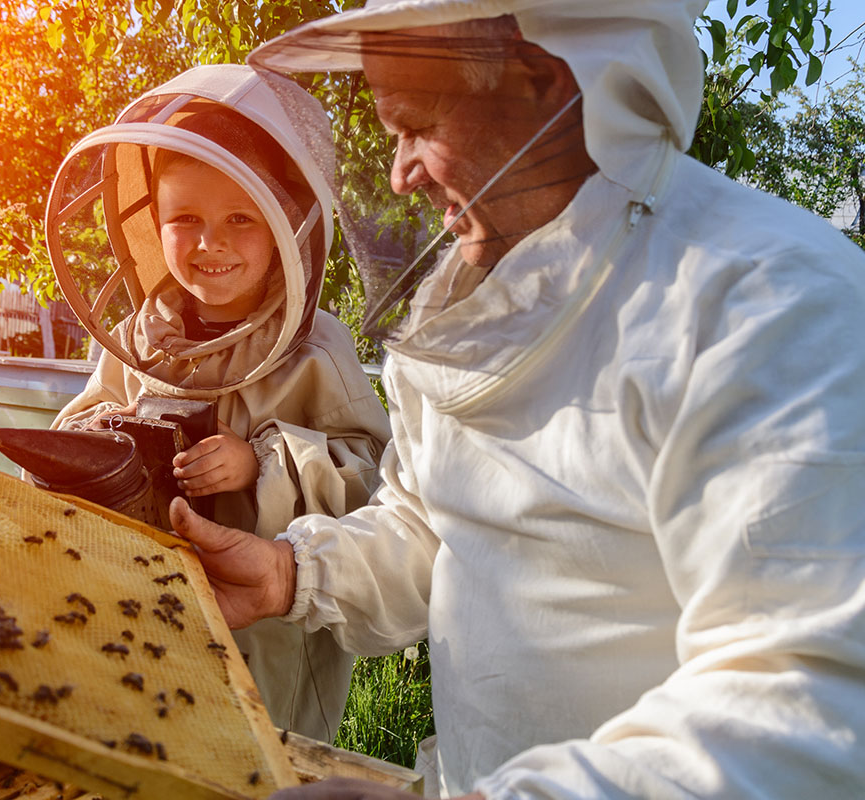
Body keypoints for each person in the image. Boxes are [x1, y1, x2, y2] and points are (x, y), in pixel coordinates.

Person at [167, 1, 865, 797]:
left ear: (543, 83)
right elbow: (429, 524)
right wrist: (291, 573)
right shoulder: (468, 303)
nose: (398, 174)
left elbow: (808, 709)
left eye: (417, 126)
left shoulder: (767, 304)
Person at [44, 64, 392, 742]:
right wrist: (108, 445)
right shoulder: (135, 338)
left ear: (287, 229)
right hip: (144, 610)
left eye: (241, 218)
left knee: (263, 765)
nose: (211, 243)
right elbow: (79, 425)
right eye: (186, 219)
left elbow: (369, 479)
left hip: (267, 634)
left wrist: (261, 463)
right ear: (152, 224)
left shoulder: (316, 348)